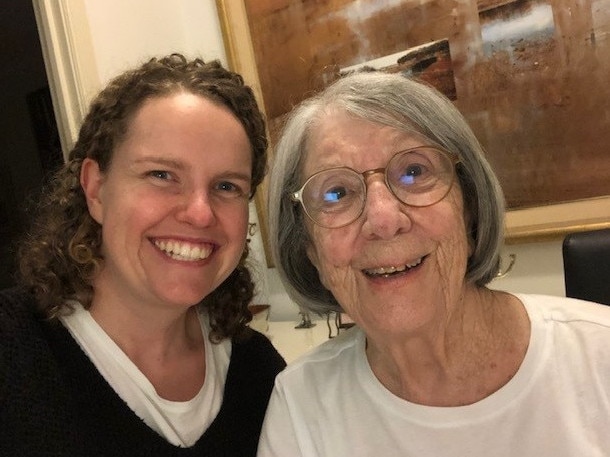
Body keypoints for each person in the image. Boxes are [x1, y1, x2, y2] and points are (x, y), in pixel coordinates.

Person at [257, 70, 610, 456]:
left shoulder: (598, 355)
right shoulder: (300, 405)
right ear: (311, 251)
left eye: (414, 172)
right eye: (337, 192)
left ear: (470, 208)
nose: (383, 220)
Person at [0, 53, 285, 456]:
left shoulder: (261, 377)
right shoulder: (13, 352)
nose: (200, 213)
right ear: (96, 189)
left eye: (226, 186)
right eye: (162, 175)